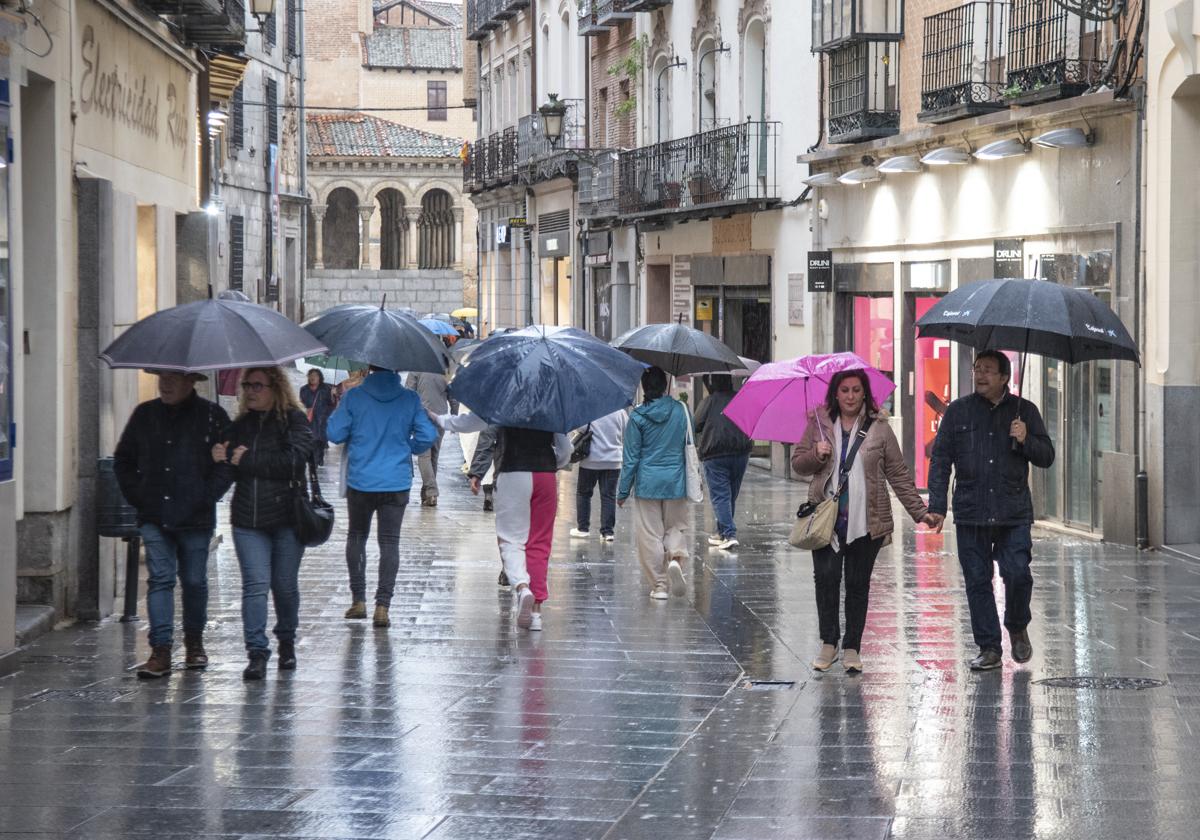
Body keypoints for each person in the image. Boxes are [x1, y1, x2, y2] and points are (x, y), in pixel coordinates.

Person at [792, 370, 934, 673]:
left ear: (865, 393)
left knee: (858, 584)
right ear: (835, 393)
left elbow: (897, 472)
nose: (850, 396)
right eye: (844, 390)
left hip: (866, 520)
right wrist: (817, 455)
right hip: (826, 519)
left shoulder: (880, 428)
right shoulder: (819, 423)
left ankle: (853, 646)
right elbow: (798, 464)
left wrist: (919, 512)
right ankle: (828, 642)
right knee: (826, 580)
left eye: (856, 390)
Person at [927, 349, 1055, 671]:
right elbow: (941, 459)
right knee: (977, 580)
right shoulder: (958, 412)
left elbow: (1047, 456)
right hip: (971, 511)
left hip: (1013, 511)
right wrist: (938, 506)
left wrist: (1026, 439)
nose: (980, 375)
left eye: (988, 370)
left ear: (1004, 378)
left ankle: (1017, 624)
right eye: (977, 369)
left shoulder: (1024, 411)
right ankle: (989, 647)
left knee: (1017, 572)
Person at [114, 371, 232, 678]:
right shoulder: (145, 414)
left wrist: (207, 496)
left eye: (173, 378)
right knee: (161, 579)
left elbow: (228, 462)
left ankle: (194, 643)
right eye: (161, 377)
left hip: (196, 517)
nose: (164, 383)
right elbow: (123, 460)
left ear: (191, 381)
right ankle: (161, 651)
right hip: (155, 514)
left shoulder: (212, 416)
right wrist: (139, 495)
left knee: (194, 581)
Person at [212, 366, 313, 680]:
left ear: (276, 388)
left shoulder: (293, 421)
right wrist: (216, 457)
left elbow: (296, 461)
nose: (251, 391)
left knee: (283, 586)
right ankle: (256, 652)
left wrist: (248, 460)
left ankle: (286, 642)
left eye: (258, 385)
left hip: (286, 518)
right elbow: (227, 469)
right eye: (247, 385)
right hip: (247, 520)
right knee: (255, 586)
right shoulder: (240, 425)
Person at [437, 412, 571, 631]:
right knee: (540, 542)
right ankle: (536, 613)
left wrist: (477, 471)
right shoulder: (551, 405)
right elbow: (565, 451)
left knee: (510, 538)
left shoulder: (504, 402)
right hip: (545, 476)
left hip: (513, 471)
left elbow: (485, 433)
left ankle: (521, 586)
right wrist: (550, 463)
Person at [328, 366, 438, 627]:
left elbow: (334, 433)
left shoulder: (354, 397)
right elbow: (428, 435)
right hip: (395, 481)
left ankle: (358, 601)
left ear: (369, 368)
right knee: (390, 542)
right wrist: (406, 446)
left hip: (361, 479)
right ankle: (382, 607)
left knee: (357, 537)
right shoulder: (409, 399)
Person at [618, 366, 691, 601]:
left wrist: (622, 491)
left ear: (643, 388)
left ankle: (660, 585)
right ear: (664, 386)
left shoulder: (637, 417)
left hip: (648, 483)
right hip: (676, 480)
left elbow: (631, 459)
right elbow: (689, 443)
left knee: (650, 534)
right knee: (676, 526)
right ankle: (677, 561)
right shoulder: (681, 410)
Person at [694, 374, 753, 550]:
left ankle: (729, 533)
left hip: (715, 453)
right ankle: (722, 532)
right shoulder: (740, 399)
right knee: (730, 495)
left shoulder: (709, 401)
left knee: (721, 496)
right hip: (740, 452)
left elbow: (696, 424)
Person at [407, 340, 457, 507]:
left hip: (422, 416)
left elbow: (409, 392)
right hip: (440, 417)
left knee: (424, 456)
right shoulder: (445, 369)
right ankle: (428, 494)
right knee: (433, 455)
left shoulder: (417, 366)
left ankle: (431, 491)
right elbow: (453, 395)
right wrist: (455, 415)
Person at [569, 408, 628, 542]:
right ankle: (607, 532)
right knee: (608, 496)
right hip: (613, 460)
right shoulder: (620, 412)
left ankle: (583, 528)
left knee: (584, 493)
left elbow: (578, 427)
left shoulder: (590, 409)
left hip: (591, 460)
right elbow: (626, 430)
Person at [299, 369, 336, 465]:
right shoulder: (304, 389)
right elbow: (301, 404)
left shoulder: (326, 389)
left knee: (321, 441)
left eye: (315, 375)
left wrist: (333, 396)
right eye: (310, 375)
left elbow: (332, 405)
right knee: (313, 440)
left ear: (320, 377)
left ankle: (319, 458)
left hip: (323, 419)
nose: (313, 377)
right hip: (310, 419)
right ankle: (314, 461)